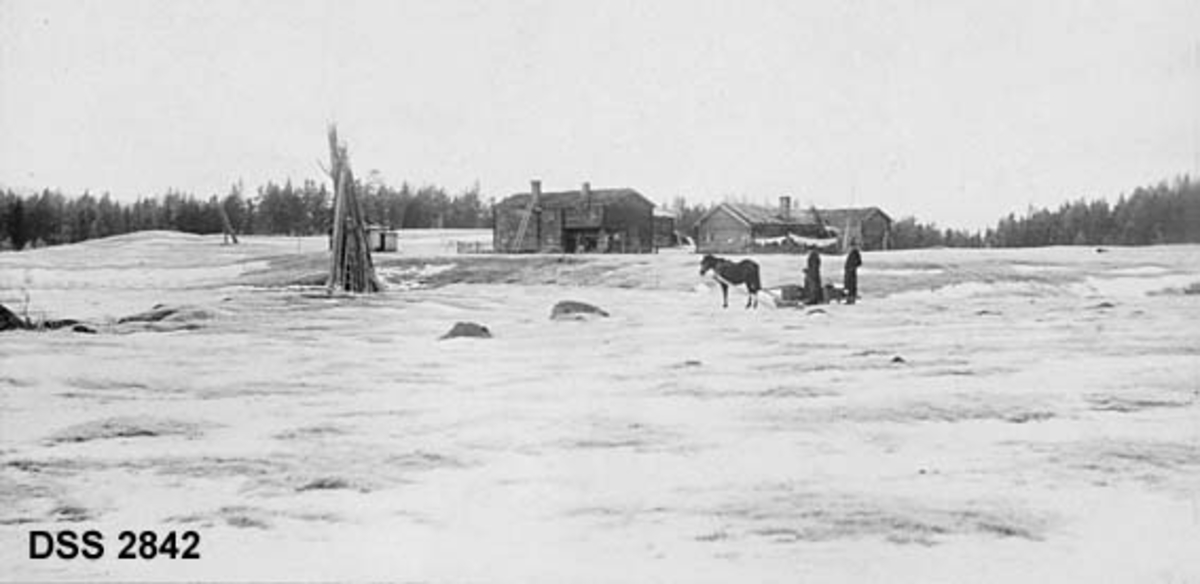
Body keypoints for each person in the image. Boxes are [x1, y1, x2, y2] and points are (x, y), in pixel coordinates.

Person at [844, 240, 862, 304]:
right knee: (848, 286)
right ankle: (849, 298)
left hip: (852, 272)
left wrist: (853, 267)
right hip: (848, 272)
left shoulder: (855, 253)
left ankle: (851, 299)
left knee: (852, 286)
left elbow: (859, 262)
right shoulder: (851, 253)